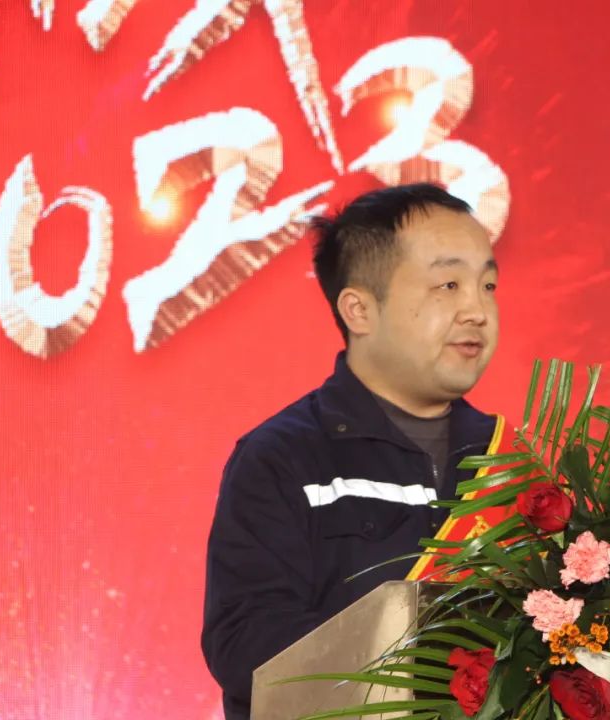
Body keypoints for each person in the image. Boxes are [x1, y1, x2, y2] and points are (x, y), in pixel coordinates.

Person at [200, 183, 501, 719]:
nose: (476, 310)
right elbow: (247, 644)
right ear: (359, 310)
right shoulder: (283, 459)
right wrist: (435, 661)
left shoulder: (512, 461)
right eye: (449, 285)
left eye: (488, 285)